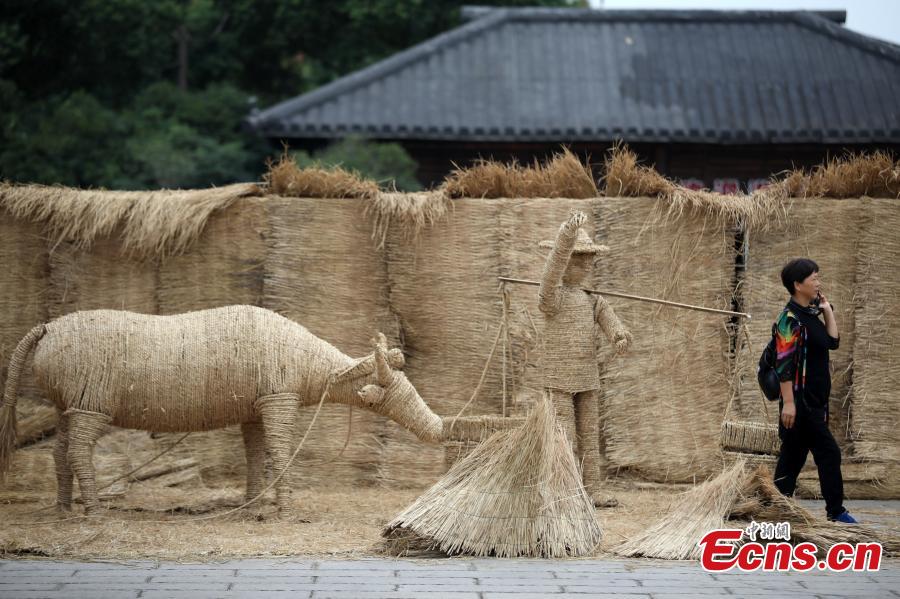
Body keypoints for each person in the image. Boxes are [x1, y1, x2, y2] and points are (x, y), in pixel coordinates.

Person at [538, 211, 632, 507]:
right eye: (576, 258)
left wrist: (620, 337)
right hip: (559, 378)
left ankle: (592, 489)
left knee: (590, 437)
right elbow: (551, 272)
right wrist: (567, 235)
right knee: (562, 435)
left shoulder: (593, 300)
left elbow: (613, 324)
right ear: (565, 260)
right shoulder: (552, 297)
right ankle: (563, 490)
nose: (583, 264)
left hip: (587, 377)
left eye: (587, 258)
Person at [773, 257, 856, 523]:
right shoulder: (788, 320)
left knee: (792, 457)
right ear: (798, 285)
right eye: (813, 278)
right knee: (828, 452)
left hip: (815, 401)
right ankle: (836, 511)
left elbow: (833, 342)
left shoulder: (810, 315)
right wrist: (788, 403)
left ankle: (776, 508)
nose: (818, 281)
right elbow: (783, 365)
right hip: (799, 401)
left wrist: (826, 310)